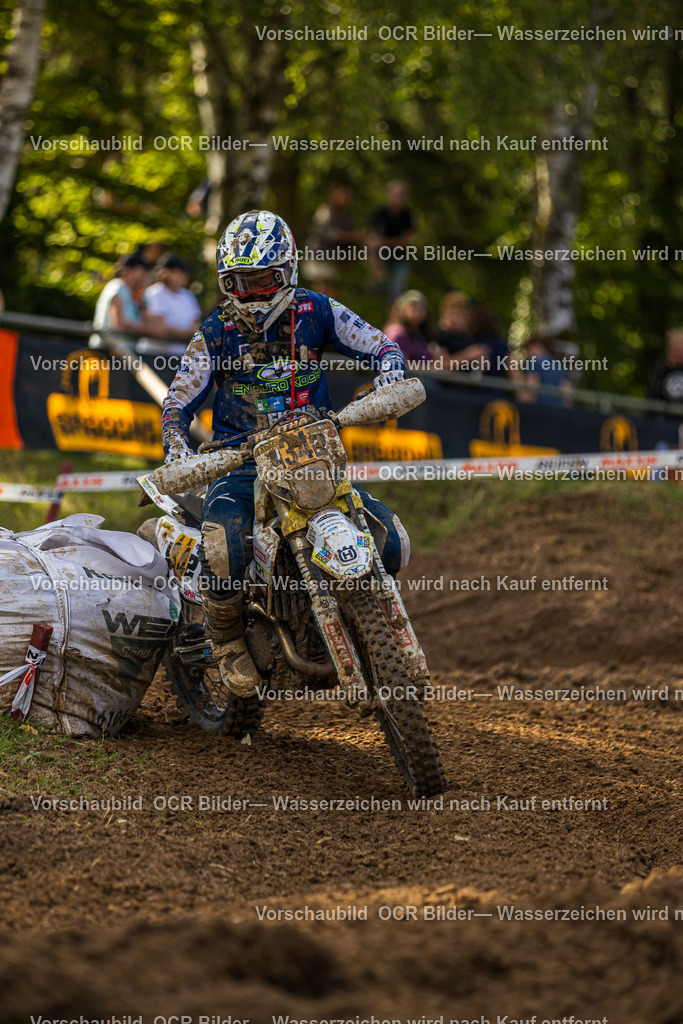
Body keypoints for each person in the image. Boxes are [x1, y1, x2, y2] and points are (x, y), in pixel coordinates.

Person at [161, 210, 410, 697]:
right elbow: (177, 401)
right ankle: (228, 637)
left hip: (311, 457)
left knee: (391, 542)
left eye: (262, 280)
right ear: (225, 281)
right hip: (241, 462)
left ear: (287, 271)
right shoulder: (214, 332)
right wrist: (176, 446)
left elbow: (381, 345)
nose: (252, 292)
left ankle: (358, 619)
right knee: (226, 549)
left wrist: (392, 373)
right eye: (241, 282)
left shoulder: (317, 310)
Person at [302, 184, 365, 296]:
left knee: (330, 291)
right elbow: (328, 234)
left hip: (331, 259)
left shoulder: (345, 215)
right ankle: (316, 311)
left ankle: (325, 312)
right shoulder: (325, 212)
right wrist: (353, 236)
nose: (346, 201)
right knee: (322, 289)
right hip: (318, 255)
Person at [91, 254, 164, 351]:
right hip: (106, 351)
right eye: (142, 270)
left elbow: (149, 320)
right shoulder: (117, 287)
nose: (145, 275)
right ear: (128, 270)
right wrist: (147, 330)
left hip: (127, 352)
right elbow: (118, 324)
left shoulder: (137, 294)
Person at [368, 180, 416, 300]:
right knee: (371, 249)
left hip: (400, 258)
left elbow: (408, 240)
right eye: (396, 194)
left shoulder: (407, 215)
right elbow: (370, 237)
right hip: (381, 254)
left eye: (402, 195)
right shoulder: (380, 213)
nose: (398, 198)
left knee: (396, 295)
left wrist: (384, 242)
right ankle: (379, 279)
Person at [145, 254, 201, 340]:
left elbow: (197, 328)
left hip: (182, 352)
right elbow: (160, 329)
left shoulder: (188, 295)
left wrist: (172, 330)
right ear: (166, 272)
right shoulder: (153, 293)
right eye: (180, 271)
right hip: (155, 352)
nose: (185, 275)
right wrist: (188, 333)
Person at [383, 290, 440, 367]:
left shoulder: (424, 335)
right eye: (413, 305)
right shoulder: (396, 332)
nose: (418, 309)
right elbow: (398, 361)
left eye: (422, 306)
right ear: (402, 308)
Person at [521, 336, 572, 407]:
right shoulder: (558, 365)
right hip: (559, 409)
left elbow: (531, 388)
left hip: (540, 408)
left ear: (537, 346)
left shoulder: (533, 363)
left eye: (528, 350)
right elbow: (567, 393)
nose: (527, 355)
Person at [649, 327, 683, 406]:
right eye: (677, 350)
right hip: (664, 416)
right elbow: (653, 395)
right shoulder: (660, 369)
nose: (679, 354)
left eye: (681, 350)